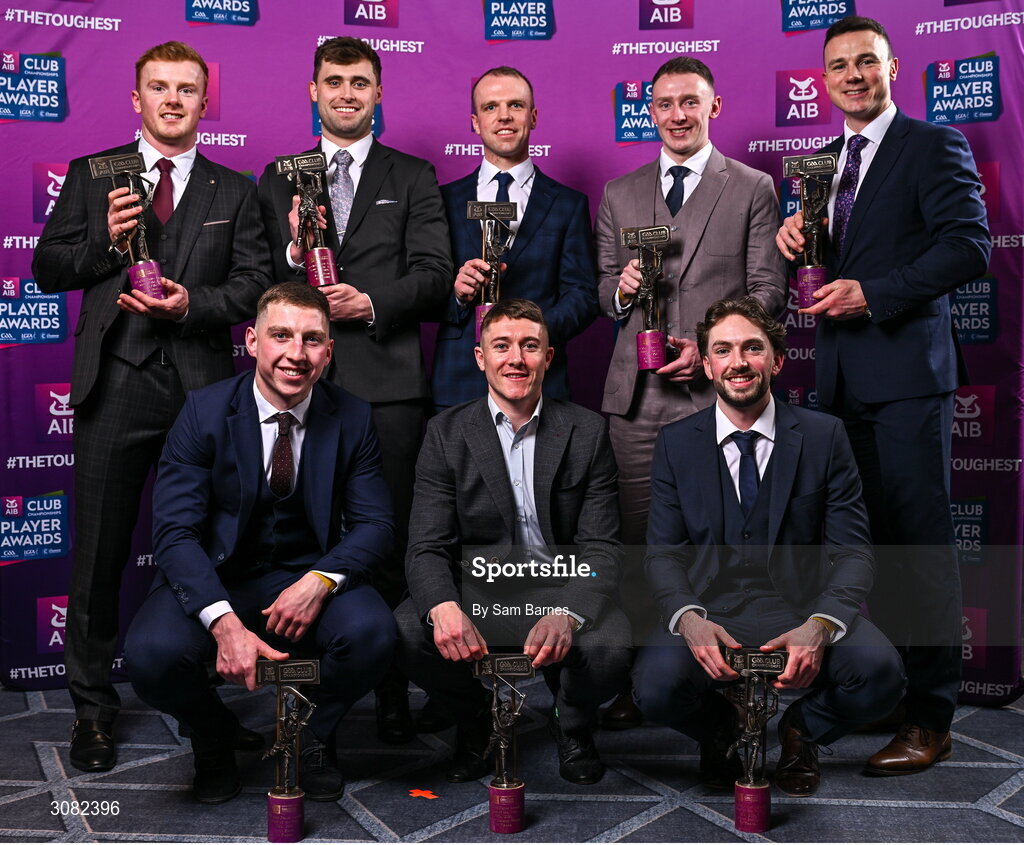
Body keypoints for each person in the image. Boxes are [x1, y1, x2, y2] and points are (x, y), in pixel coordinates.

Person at [32, 41, 272, 773]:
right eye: (159, 88)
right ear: (136, 99)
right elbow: (47, 269)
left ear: (207, 102)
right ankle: (93, 711)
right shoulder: (93, 172)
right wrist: (105, 243)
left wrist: (193, 302)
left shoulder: (236, 189)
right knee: (99, 555)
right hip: (116, 385)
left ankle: (202, 701)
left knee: (210, 547)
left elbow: (254, 287)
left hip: (205, 389)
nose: (173, 99)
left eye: (188, 89)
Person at [775, 16, 991, 774]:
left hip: (904, 381)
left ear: (893, 67)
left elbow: (969, 246)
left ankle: (933, 717)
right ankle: (892, 692)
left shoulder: (934, 145)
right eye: (839, 66)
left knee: (920, 549)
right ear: (824, 80)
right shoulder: (821, 161)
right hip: (834, 385)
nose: (853, 75)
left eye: (867, 61)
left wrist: (876, 294)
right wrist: (792, 238)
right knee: (862, 548)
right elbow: (828, 255)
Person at [124, 283, 398, 804]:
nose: (297, 354)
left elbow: (376, 525)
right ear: (252, 341)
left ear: (329, 350)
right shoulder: (203, 412)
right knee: (152, 655)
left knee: (374, 633)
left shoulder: (354, 416)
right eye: (281, 335)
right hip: (218, 575)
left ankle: (308, 735)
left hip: (304, 572)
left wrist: (319, 581)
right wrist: (223, 622)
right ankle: (213, 733)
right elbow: (175, 533)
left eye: (313, 339)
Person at [257, 36, 452, 743]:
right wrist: (290, 255)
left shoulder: (414, 173)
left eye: (360, 82)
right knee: (298, 539)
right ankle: (311, 699)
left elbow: (435, 277)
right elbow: (257, 282)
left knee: (391, 538)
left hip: (386, 387)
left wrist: (363, 301)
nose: (346, 92)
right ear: (313, 90)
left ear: (378, 93)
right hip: (293, 388)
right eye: (334, 81)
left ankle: (393, 692)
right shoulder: (280, 174)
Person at [633, 297, 905, 796]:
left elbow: (853, 552)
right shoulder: (676, 443)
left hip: (800, 609)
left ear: (777, 360)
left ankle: (802, 731)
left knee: (881, 674)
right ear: (708, 363)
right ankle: (723, 731)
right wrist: (690, 620)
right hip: (711, 610)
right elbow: (664, 556)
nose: (738, 362)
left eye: (753, 348)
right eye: (724, 350)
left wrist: (821, 625)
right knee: (653, 688)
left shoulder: (825, 436)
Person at [595, 55, 787, 726]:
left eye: (690, 102)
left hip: (719, 399)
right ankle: (641, 678)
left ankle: (729, 681)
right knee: (640, 545)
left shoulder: (754, 186)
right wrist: (619, 290)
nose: (677, 114)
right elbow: (603, 289)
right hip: (638, 403)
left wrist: (707, 350)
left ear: (715, 107)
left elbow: (768, 290)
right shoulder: (620, 192)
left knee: (725, 540)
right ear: (649, 112)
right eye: (665, 103)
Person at [396, 299, 632, 785]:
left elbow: (602, 549)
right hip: (478, 588)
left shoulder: (586, 431)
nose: (516, 359)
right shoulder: (445, 433)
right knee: (406, 629)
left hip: (559, 582)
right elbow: (425, 546)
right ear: (480, 357)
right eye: (501, 346)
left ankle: (571, 721)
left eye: (530, 346)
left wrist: (569, 611)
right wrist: (443, 606)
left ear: (549, 356)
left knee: (612, 643)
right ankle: (477, 720)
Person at [433, 66, 598, 412]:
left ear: (533, 116)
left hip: (541, 380)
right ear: (475, 122)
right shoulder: (442, 200)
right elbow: (423, 287)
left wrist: (531, 336)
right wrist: (457, 295)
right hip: (459, 380)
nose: (504, 116)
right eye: (491, 107)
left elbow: (582, 295)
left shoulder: (568, 204)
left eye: (515, 106)